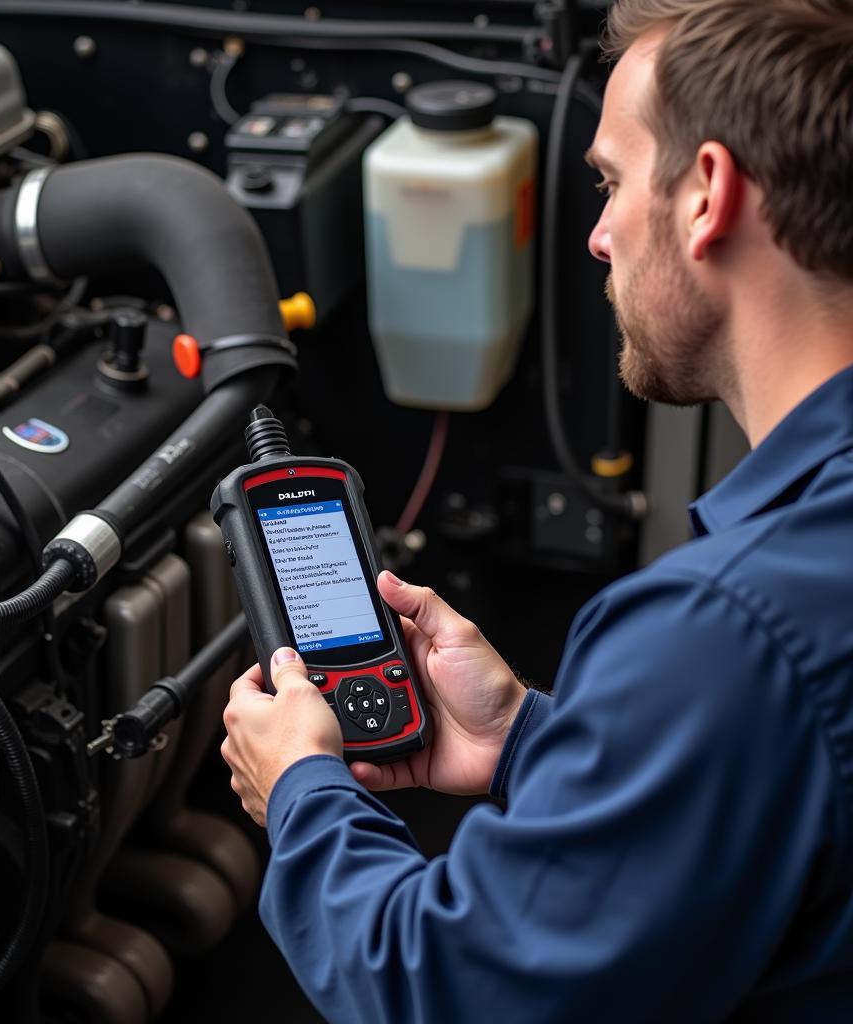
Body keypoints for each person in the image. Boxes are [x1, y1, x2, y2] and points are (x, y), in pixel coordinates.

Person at [220, 1, 853, 1019]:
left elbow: (438, 986)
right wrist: (527, 737)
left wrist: (300, 787)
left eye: (608, 182)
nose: (597, 239)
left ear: (707, 197)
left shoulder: (731, 629)